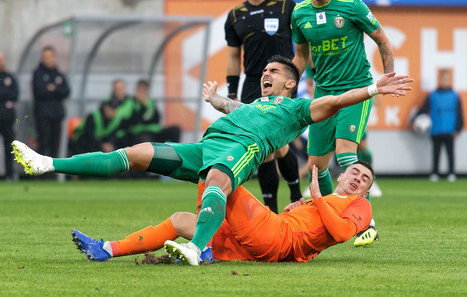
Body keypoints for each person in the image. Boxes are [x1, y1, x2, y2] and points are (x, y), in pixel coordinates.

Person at [13, 55, 411, 266]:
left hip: (239, 154)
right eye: (265, 71)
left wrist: (373, 88)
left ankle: (196, 250)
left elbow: (335, 101)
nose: (265, 74)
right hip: (207, 147)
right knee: (137, 154)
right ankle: (49, 164)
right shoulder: (255, 105)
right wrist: (214, 99)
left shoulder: (296, 109)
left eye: (273, 71)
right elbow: (234, 107)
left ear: (290, 82)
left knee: (218, 184)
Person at [72, 161, 374, 264]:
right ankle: (107, 249)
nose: (358, 178)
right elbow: (313, 230)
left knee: (222, 175)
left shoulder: (359, 204)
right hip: (266, 242)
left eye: (364, 179)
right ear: (342, 175)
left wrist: (317, 199)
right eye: (354, 172)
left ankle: (201, 246)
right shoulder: (325, 200)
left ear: (365, 191)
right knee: (180, 220)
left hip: (274, 236)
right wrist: (300, 207)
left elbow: (343, 233)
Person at [291, 0, 395, 246]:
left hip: (357, 89)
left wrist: (386, 77)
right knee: (316, 165)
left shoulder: (352, 6)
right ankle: (329, 217)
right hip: (324, 94)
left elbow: (383, 40)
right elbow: (300, 57)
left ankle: (367, 222)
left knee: (346, 152)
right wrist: (288, 85)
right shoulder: (299, 14)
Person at [225, 0, 300, 213]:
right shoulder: (235, 15)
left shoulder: (286, 6)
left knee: (279, 145)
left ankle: (296, 193)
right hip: (252, 86)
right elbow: (234, 56)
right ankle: (271, 211)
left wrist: (299, 76)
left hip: (282, 86)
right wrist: (232, 91)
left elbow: (303, 44)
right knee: (263, 148)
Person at [413, 68, 463, 183]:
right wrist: (414, 119)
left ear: (450, 79)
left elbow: (459, 113)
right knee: (436, 153)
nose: (444, 80)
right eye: (442, 78)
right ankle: (435, 172)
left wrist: (458, 128)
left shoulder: (455, 95)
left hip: (449, 130)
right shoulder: (432, 95)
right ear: (439, 79)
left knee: (450, 153)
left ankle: (451, 173)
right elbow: (423, 109)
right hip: (436, 129)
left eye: (447, 78)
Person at [31, 45, 70, 158]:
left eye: (49, 56)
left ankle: (53, 172)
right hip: (43, 114)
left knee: (55, 144)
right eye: (45, 56)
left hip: (57, 114)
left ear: (54, 57)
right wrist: (54, 89)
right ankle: (40, 172)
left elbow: (66, 91)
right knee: (43, 143)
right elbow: (39, 91)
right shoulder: (38, 73)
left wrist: (53, 88)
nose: (47, 59)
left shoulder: (59, 74)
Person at [124, 79, 181, 144]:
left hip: (155, 131)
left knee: (175, 130)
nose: (143, 92)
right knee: (146, 139)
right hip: (140, 132)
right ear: (137, 90)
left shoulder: (151, 102)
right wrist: (143, 107)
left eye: (145, 90)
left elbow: (157, 119)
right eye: (141, 89)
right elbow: (133, 120)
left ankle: (174, 151)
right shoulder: (131, 102)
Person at [0, 52, 18, 181]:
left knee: (9, 146)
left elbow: (14, 95)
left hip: (7, 118)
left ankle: (10, 174)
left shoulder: (10, 78)